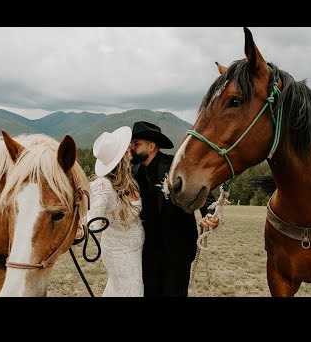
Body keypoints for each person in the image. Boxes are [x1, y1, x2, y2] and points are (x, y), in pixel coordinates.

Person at [130, 121, 219, 297]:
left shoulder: (175, 166)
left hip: (177, 248)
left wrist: (209, 214)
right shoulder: (133, 171)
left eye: (136, 143)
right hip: (147, 251)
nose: (131, 147)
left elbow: (204, 193)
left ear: (151, 146)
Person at [87, 126, 144, 297]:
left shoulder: (129, 180)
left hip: (135, 249)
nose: (130, 148)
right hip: (119, 252)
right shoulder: (103, 185)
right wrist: (82, 226)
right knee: (132, 292)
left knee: (117, 291)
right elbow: (93, 219)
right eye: (127, 147)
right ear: (121, 156)